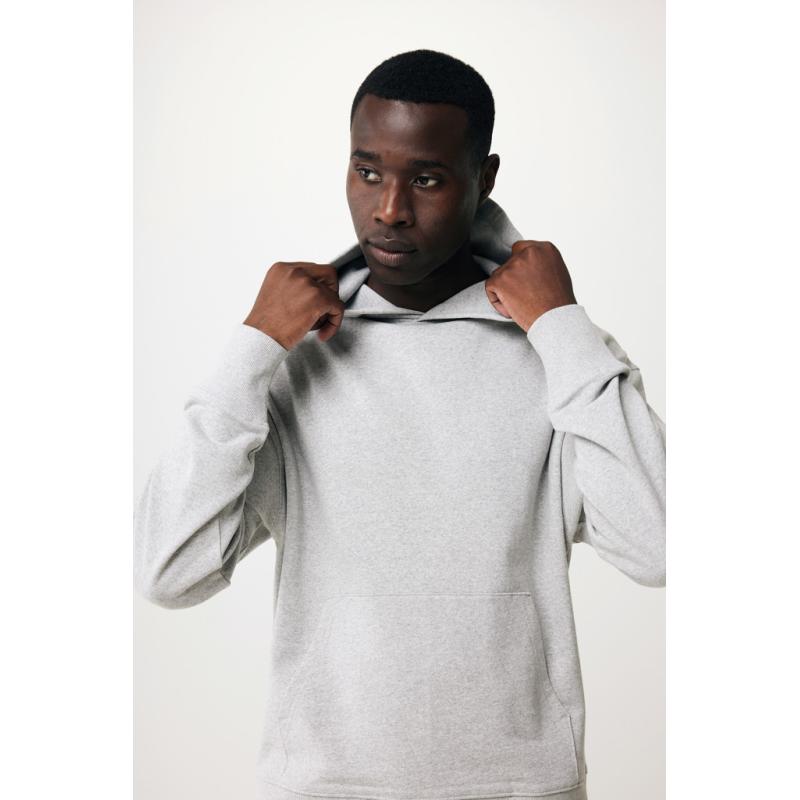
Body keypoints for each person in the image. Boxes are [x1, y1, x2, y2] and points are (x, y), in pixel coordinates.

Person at [134, 48, 666, 800]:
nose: (388, 209)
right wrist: (253, 346)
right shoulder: (291, 357)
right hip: (323, 787)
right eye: (367, 171)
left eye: (426, 179)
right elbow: (168, 571)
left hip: (519, 786)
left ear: (484, 178)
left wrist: (563, 328)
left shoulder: (561, 352)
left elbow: (662, 546)